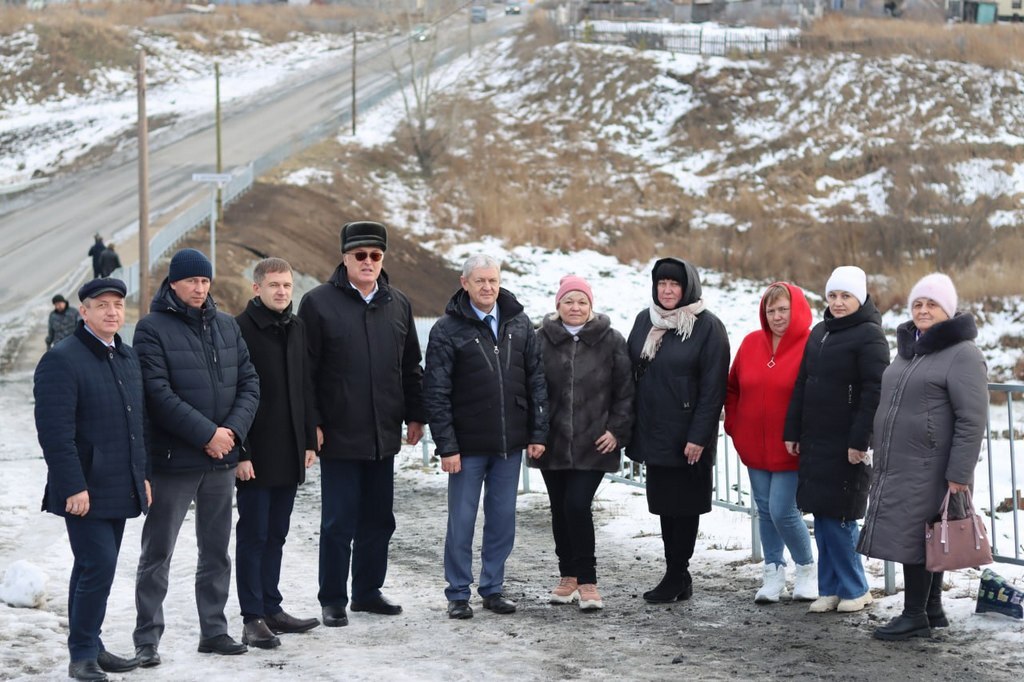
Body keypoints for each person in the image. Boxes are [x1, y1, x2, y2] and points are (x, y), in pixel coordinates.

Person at [132, 248, 260, 664]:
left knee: (216, 551)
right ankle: (147, 638)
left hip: (220, 462)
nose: (199, 288)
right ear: (173, 283)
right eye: (191, 281)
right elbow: (157, 393)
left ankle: (214, 630)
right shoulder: (151, 329)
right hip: (174, 461)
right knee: (158, 553)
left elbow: (249, 383)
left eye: (204, 281)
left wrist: (231, 434)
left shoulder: (226, 326)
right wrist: (207, 433)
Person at [297, 221, 424, 628]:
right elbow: (306, 372)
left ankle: (367, 592)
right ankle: (332, 597)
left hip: (382, 434)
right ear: (345, 257)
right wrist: (312, 423)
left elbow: (410, 367)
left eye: (375, 255)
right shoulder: (317, 303)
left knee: (379, 520)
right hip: (338, 433)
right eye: (360, 255)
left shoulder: (398, 303)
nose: (368, 262)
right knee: (338, 521)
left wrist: (416, 414)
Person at [858, 274, 988, 640]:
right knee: (930, 535)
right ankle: (931, 609)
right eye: (917, 304)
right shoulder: (910, 350)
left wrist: (959, 473)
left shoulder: (963, 354)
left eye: (931, 304)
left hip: (934, 466)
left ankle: (913, 614)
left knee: (917, 537)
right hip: (903, 463)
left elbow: (972, 418)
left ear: (947, 310)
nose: (923, 310)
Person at [34, 278, 149, 682]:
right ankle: (81, 653)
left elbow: (138, 424)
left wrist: (144, 474)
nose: (112, 312)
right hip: (84, 487)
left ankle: (92, 645)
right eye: (102, 305)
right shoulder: (61, 359)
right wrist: (72, 486)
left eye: (118, 304)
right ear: (84, 312)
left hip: (120, 482)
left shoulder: (127, 356)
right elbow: (54, 433)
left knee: (93, 566)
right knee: (97, 564)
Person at [423, 254, 548, 619]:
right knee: (461, 521)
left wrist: (537, 431)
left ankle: (492, 587)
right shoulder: (447, 329)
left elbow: (537, 380)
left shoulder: (520, 323)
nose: (487, 288)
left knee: (502, 519)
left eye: (493, 280)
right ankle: (458, 592)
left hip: (509, 445)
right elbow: (436, 392)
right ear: (465, 283)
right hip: (466, 448)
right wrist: (446, 445)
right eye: (480, 281)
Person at [784, 265, 889, 614]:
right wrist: (792, 432)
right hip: (817, 440)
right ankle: (830, 588)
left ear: (859, 298)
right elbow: (803, 384)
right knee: (825, 516)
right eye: (833, 295)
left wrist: (861, 440)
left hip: (847, 442)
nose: (839, 302)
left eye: (846, 296)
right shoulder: (820, 332)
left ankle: (855, 588)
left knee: (841, 517)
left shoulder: (870, 336)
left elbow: (874, 392)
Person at [626, 258, 729, 603]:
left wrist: (699, 436)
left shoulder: (707, 327)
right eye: (662, 284)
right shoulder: (646, 321)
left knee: (684, 508)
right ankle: (677, 575)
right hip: (655, 432)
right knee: (665, 507)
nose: (667, 290)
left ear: (688, 288)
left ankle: (676, 573)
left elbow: (714, 389)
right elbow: (632, 371)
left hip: (688, 438)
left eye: (675, 284)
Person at [530, 275, 634, 611]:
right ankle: (568, 577)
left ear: (591, 307)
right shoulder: (540, 340)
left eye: (582, 302)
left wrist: (617, 430)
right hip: (552, 443)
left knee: (577, 504)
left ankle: (588, 581)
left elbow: (625, 391)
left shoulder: (611, 340)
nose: (575, 308)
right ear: (557, 305)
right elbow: (532, 391)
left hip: (595, 442)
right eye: (569, 301)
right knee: (559, 509)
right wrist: (535, 434)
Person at [234, 258, 320, 648]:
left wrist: (308, 440)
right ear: (257, 289)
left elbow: (305, 386)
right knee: (254, 534)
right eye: (274, 285)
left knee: (277, 534)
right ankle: (252, 617)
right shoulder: (238, 329)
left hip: (289, 450)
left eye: (287, 285)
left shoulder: (296, 326)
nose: (282, 291)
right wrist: (241, 451)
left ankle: (272, 607)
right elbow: (232, 394)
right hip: (254, 452)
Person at [725, 282, 817, 603]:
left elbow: (816, 396)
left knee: (782, 510)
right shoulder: (751, 343)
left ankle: (806, 568)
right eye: (771, 310)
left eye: (783, 309)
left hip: (792, 447)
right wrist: (735, 425)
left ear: (797, 310)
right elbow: (733, 387)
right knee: (764, 510)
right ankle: (773, 572)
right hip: (753, 445)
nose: (777, 316)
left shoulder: (811, 344)